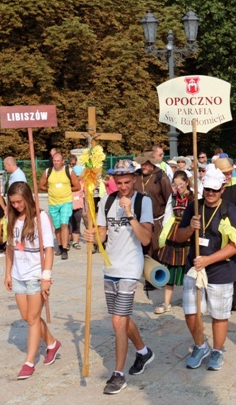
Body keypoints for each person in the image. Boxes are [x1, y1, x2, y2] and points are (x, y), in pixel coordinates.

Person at [87, 159, 155, 394]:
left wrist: (130, 214)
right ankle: (144, 352)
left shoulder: (143, 201)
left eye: (127, 182)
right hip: (111, 267)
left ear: (135, 179)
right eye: (119, 182)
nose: (123, 187)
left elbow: (146, 239)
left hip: (130, 266)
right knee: (122, 319)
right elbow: (103, 235)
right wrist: (92, 235)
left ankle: (118, 374)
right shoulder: (106, 201)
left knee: (118, 321)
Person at [173, 167, 236, 372]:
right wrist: (191, 228)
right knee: (191, 312)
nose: (211, 193)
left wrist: (208, 260)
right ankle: (200, 345)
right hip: (195, 267)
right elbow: (178, 237)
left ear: (222, 189)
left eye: (215, 190)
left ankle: (217, 350)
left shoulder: (229, 210)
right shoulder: (194, 207)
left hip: (220, 269)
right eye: (207, 189)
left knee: (219, 314)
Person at [4, 182, 61, 380]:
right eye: (12, 203)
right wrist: (8, 273)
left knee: (33, 319)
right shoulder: (11, 217)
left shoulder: (40, 217)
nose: (16, 206)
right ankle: (52, 344)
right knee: (27, 317)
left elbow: (49, 249)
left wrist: (46, 277)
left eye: (19, 202)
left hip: (36, 275)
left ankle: (29, 362)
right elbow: (10, 247)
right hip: (19, 274)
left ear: (27, 198)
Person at [214, 157, 236, 310]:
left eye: (230, 173)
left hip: (234, 230)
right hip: (216, 231)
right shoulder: (213, 189)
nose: (228, 176)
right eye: (225, 174)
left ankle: (235, 299)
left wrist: (231, 228)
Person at [155, 171, 193, 314]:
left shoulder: (194, 197)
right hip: (174, 233)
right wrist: (164, 235)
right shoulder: (172, 197)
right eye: (175, 185)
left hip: (189, 233)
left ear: (187, 183)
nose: (178, 188)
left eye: (180, 185)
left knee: (189, 269)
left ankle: (191, 301)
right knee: (170, 267)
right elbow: (168, 215)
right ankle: (167, 302)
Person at [38, 152, 80, 260]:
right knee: (57, 227)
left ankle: (65, 249)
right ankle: (60, 246)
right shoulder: (48, 171)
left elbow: (77, 186)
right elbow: (41, 185)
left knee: (64, 224)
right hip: (53, 203)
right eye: (54, 161)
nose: (56, 163)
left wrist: (66, 190)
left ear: (62, 161)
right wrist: (50, 189)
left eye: (58, 161)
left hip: (66, 201)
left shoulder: (68, 171)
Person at [134, 150, 173, 262]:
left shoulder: (161, 176)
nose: (144, 166)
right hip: (138, 220)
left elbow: (169, 199)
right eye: (142, 164)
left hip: (156, 220)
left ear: (152, 163)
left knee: (155, 253)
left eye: (146, 163)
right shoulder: (136, 175)